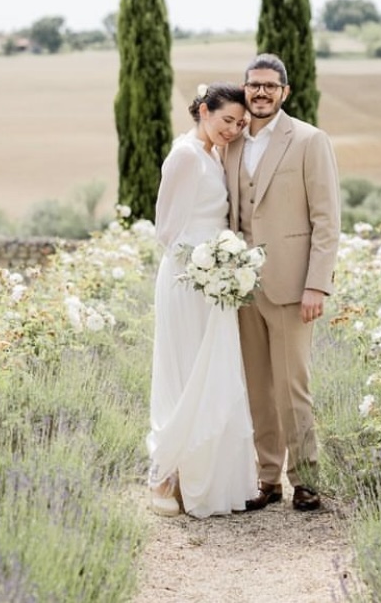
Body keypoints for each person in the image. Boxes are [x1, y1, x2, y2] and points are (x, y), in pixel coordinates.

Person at [223, 53, 341, 512]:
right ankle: (268, 479)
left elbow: (326, 220)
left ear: (285, 92)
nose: (261, 92)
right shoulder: (232, 142)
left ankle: (306, 479)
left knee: (293, 388)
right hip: (243, 288)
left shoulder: (310, 140)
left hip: (293, 287)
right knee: (257, 388)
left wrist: (317, 284)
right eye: (254, 85)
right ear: (245, 88)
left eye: (270, 86)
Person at [147, 82, 258, 518]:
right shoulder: (185, 156)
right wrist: (201, 265)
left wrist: (224, 267)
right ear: (204, 111)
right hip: (186, 279)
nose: (233, 129)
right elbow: (166, 231)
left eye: (240, 124)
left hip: (217, 282)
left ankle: (209, 478)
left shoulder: (215, 155)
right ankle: (163, 475)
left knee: (215, 373)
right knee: (184, 372)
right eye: (227, 119)